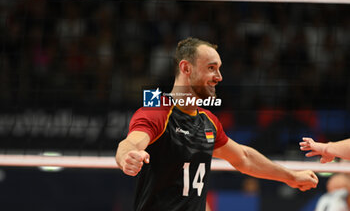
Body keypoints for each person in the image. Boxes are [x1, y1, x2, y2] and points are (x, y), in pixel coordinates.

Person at [116, 37, 318, 211]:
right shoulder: (156, 111)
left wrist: (291, 177)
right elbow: (131, 143)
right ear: (186, 68)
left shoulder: (208, 121)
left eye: (219, 69)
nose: (219, 77)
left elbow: (244, 158)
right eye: (211, 68)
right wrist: (127, 157)